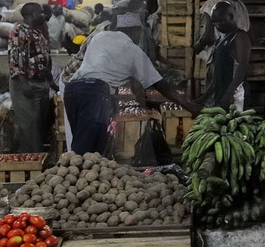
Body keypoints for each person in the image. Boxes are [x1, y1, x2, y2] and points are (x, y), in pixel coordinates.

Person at [63, 28, 199, 156]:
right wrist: (189, 106)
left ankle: (79, 176)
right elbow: (160, 84)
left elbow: (131, 82)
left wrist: (143, 101)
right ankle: (77, 177)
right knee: (89, 151)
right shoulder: (133, 51)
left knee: (80, 142)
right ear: (137, 33)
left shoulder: (101, 37)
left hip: (73, 89)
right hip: (95, 95)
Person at [8, 2, 55, 154]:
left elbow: (43, 58)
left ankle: (39, 157)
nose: (44, 15)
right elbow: (15, 58)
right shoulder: (19, 31)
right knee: (30, 124)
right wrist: (23, 82)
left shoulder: (37, 32)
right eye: (40, 12)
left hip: (41, 84)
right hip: (26, 83)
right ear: (30, 15)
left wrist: (51, 82)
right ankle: (31, 160)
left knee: (40, 124)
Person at [200, 0, 250, 110]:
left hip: (234, 98)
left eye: (221, 22)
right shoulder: (221, 40)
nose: (217, 26)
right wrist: (203, 99)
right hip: (221, 97)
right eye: (215, 23)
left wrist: (229, 93)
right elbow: (216, 77)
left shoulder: (239, 37)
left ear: (231, 17)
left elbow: (243, 66)